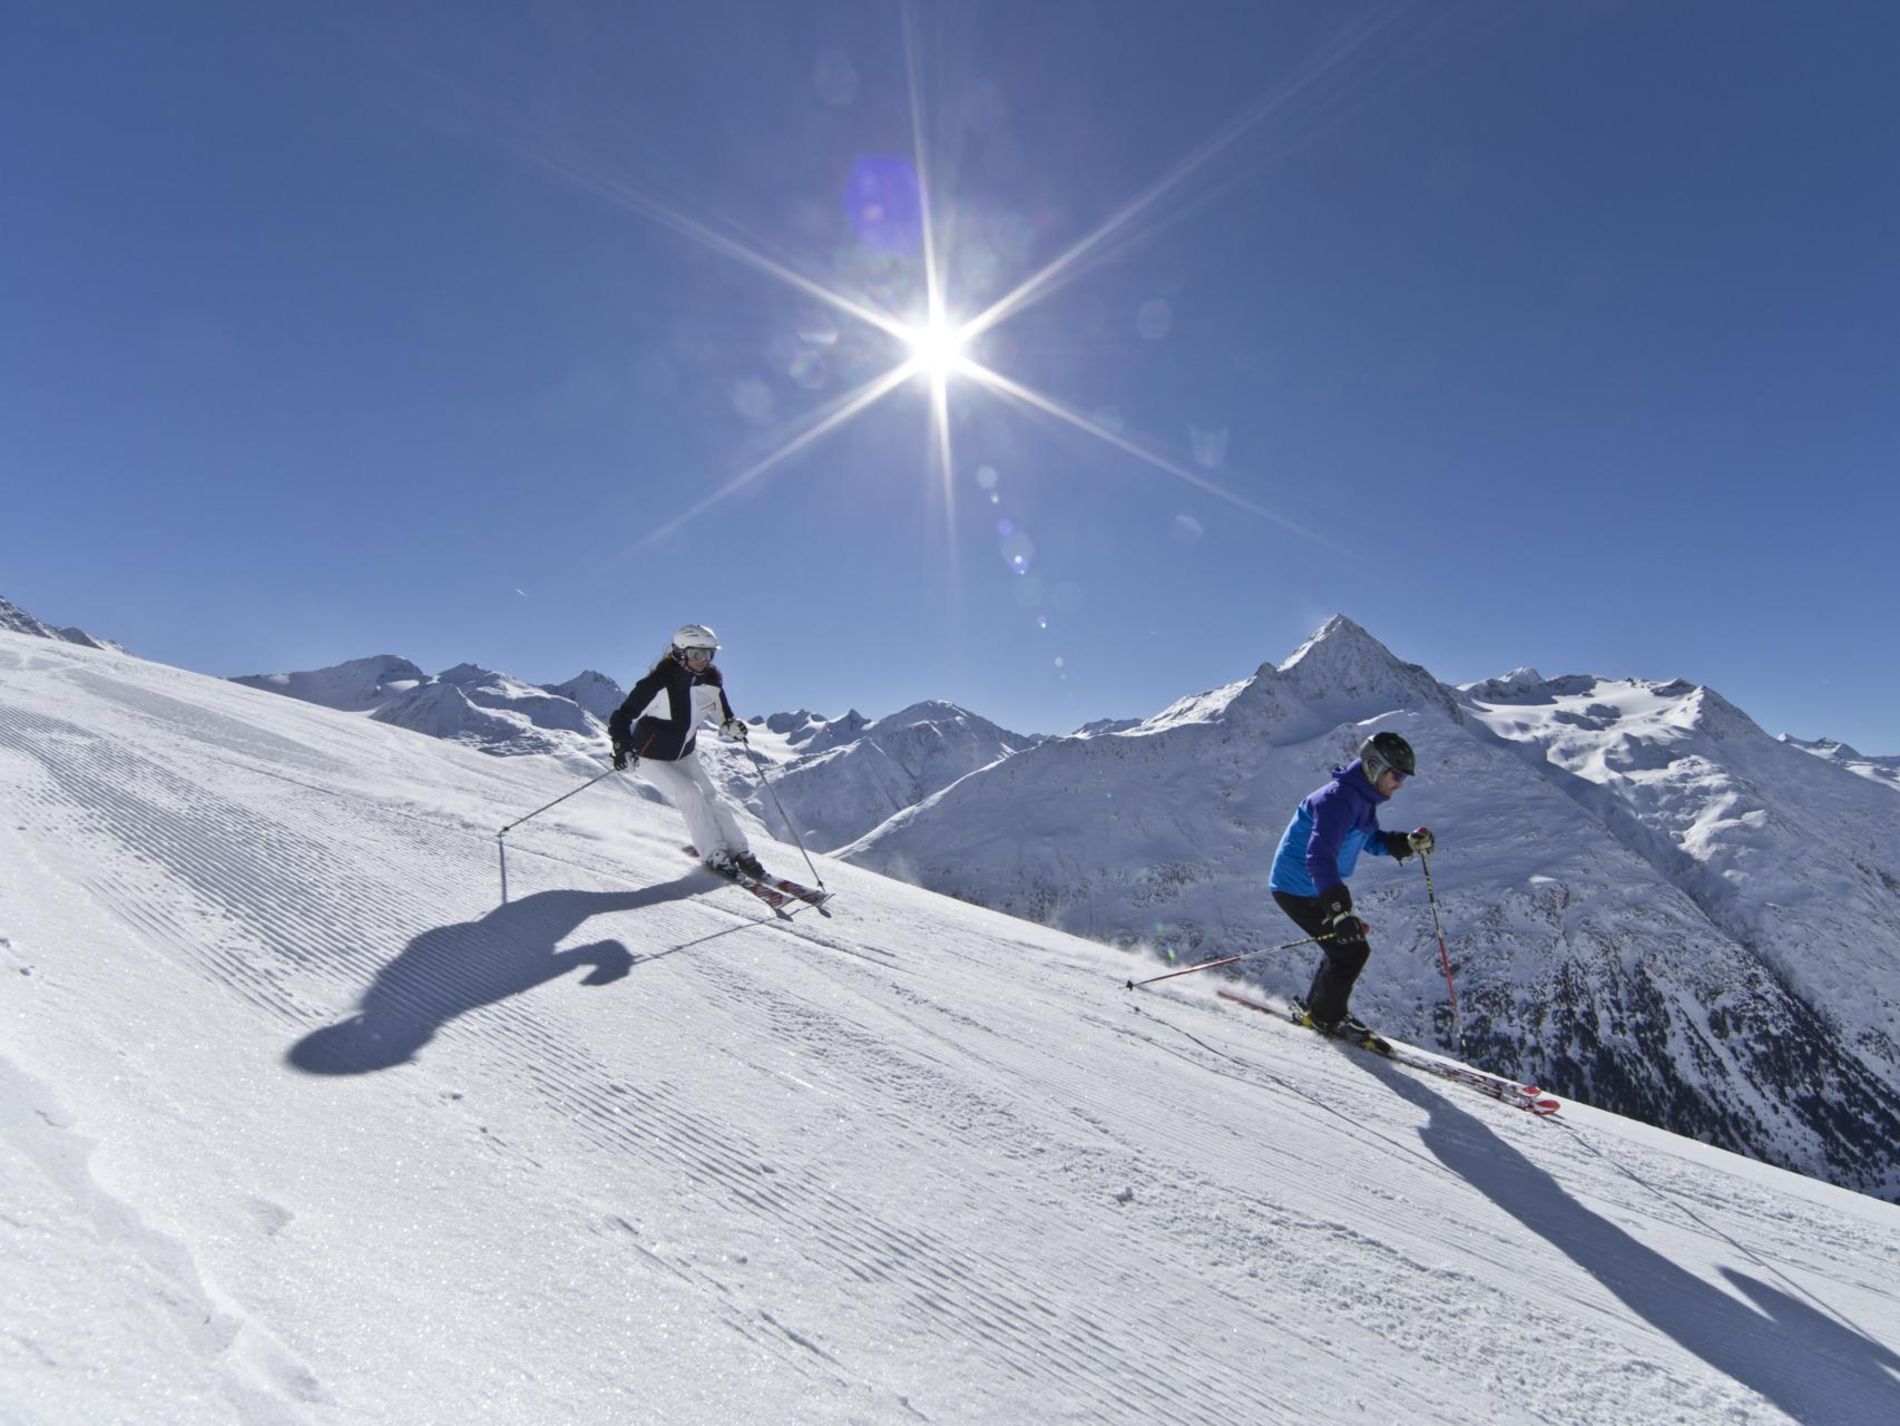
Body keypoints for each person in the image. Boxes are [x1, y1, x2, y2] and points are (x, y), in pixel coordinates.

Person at [1267, 731, 1434, 1041]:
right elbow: (1318, 858)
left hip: (1314, 886)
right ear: (1373, 767)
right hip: (1297, 887)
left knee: (1345, 948)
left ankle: (1319, 1010)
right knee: (1351, 951)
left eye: (1403, 778)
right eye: (1396, 775)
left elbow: (1368, 838)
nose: (1400, 783)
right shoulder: (1338, 800)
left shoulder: (1362, 798)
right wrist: (1340, 912)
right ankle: (1323, 1017)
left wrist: (1406, 843)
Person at [607, 624, 765, 880]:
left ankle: (740, 851)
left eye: (709, 654)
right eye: (697, 654)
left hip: (684, 754)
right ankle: (714, 853)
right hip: (650, 755)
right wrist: (621, 747)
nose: (704, 661)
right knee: (690, 796)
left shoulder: (711, 680)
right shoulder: (658, 683)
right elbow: (621, 717)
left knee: (713, 798)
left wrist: (730, 726)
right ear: (680, 652)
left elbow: (722, 713)